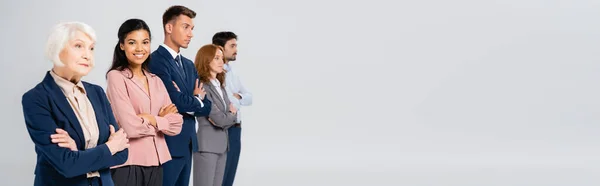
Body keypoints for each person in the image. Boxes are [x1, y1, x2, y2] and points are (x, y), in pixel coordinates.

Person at [21, 21, 129, 186]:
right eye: (79, 46)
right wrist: (109, 147)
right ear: (57, 49)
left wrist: (79, 153)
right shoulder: (36, 98)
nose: (87, 55)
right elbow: (67, 164)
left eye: (91, 48)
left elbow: (123, 152)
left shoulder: (97, 92)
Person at [106, 18, 184, 186]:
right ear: (122, 45)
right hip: (128, 163)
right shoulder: (116, 77)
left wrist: (151, 119)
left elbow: (177, 124)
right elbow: (130, 127)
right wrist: (162, 122)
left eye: (145, 42)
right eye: (132, 42)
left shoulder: (156, 80)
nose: (140, 48)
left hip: (157, 162)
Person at [148, 5, 212, 186]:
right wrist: (196, 99)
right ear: (169, 28)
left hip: (188, 142)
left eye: (192, 29)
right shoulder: (155, 61)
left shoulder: (189, 65)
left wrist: (194, 101)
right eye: (186, 27)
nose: (191, 34)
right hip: (168, 143)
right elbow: (175, 102)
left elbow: (207, 107)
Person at [193, 44, 237, 186]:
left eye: (222, 58)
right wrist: (231, 114)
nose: (221, 62)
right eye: (216, 58)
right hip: (206, 147)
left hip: (222, 146)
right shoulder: (202, 86)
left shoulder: (220, 85)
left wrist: (227, 116)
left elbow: (222, 118)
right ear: (206, 60)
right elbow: (219, 118)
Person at [212, 31, 252, 186]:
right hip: (224, 128)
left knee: (229, 175)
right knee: (220, 176)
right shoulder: (215, 71)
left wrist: (239, 97)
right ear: (220, 48)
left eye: (236, 45)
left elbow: (249, 97)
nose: (236, 49)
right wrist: (236, 98)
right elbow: (226, 102)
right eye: (232, 46)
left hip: (236, 129)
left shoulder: (232, 70)